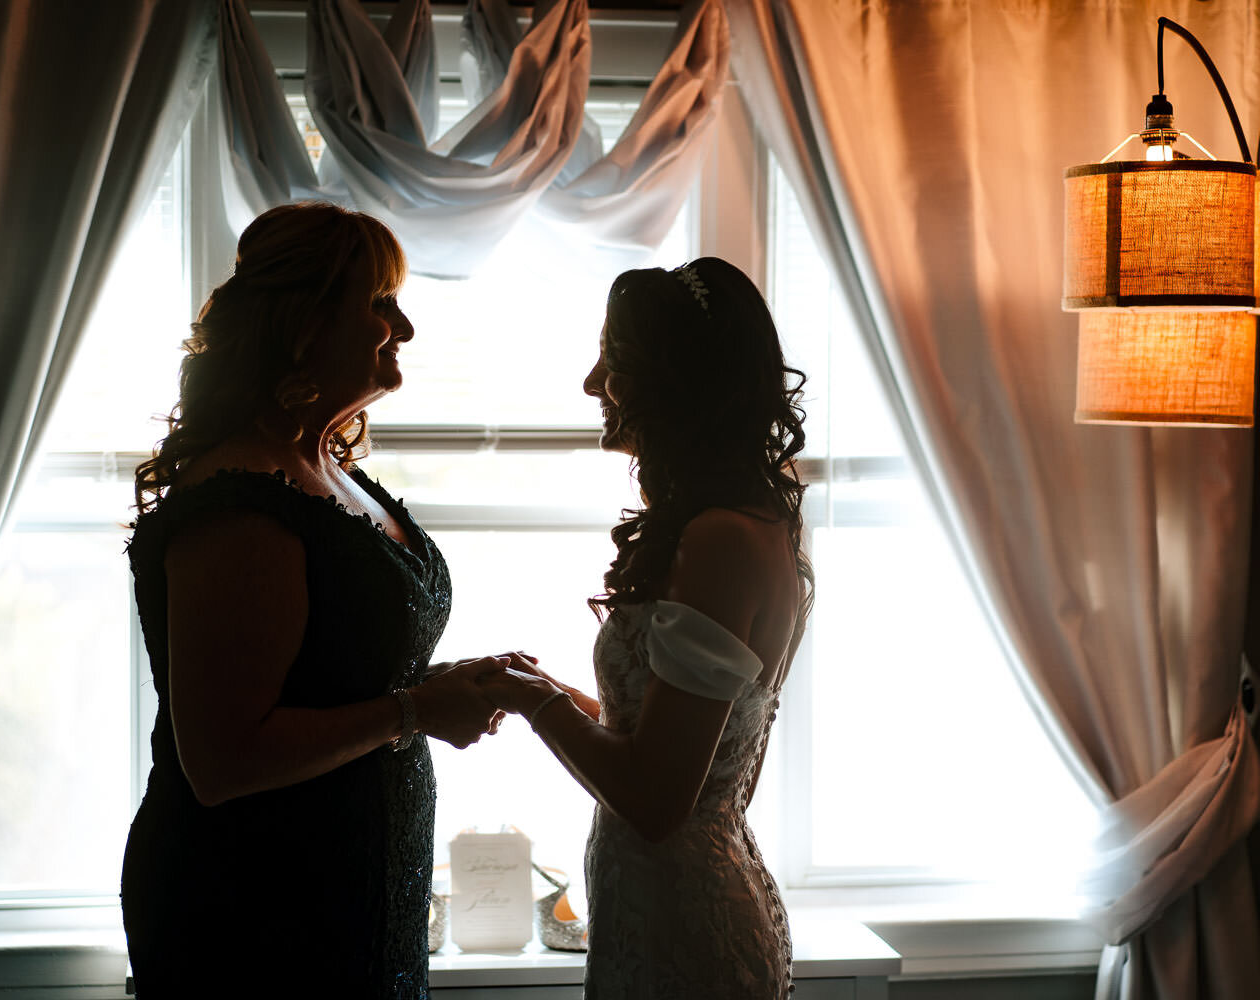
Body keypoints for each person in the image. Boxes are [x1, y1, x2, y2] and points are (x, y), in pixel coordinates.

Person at [121, 202, 509, 997]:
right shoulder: (240, 503)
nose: (401, 327)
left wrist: (442, 686)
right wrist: (416, 711)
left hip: (363, 891)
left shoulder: (326, 467)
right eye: (378, 303)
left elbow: (346, 664)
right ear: (304, 324)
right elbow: (223, 760)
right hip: (262, 912)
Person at [479, 258, 812, 998]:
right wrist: (535, 684)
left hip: (686, 937)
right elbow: (670, 742)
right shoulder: (736, 523)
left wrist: (535, 704)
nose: (593, 383)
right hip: (659, 907)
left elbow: (659, 801)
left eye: (616, 361)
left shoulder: (723, 539)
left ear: (678, 382)